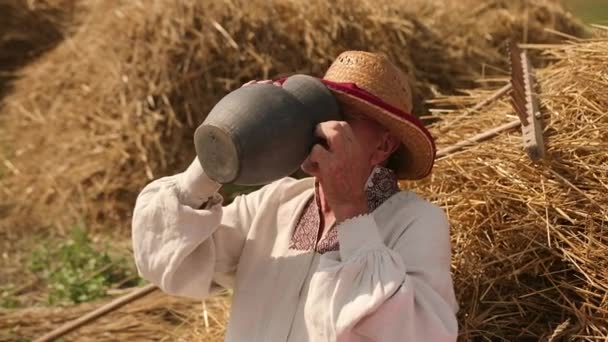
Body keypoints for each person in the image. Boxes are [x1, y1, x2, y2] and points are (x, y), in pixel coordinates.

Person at [132, 51, 458, 341]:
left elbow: (417, 332)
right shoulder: (274, 203)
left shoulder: (416, 222)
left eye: (343, 116)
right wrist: (217, 155)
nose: (320, 127)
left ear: (384, 145)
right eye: (319, 112)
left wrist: (349, 207)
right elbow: (168, 260)